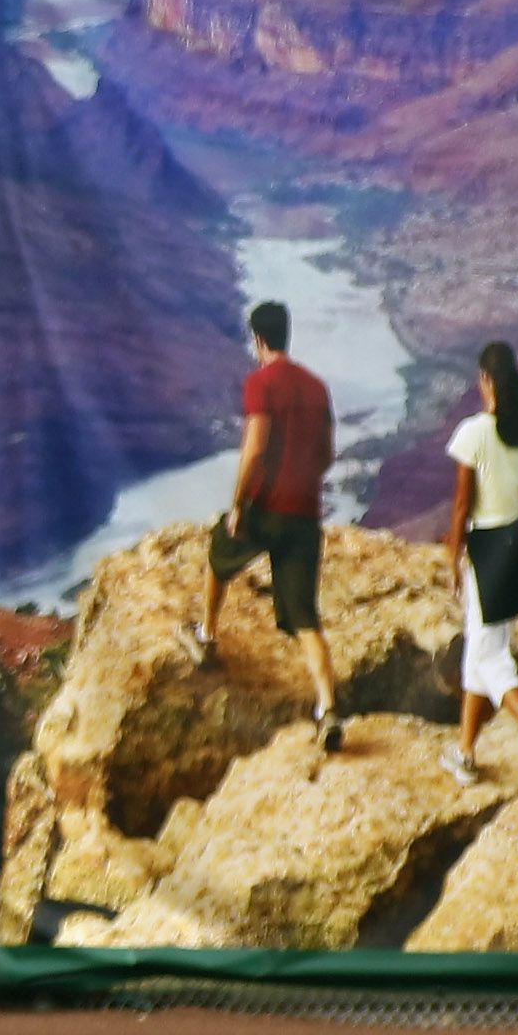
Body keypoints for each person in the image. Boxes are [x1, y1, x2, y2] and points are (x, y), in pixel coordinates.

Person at [181, 301, 344, 751]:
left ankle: (207, 637)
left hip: (266, 506)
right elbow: (328, 454)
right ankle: (328, 707)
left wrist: (238, 504)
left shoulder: (260, 384)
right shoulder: (316, 387)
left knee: (218, 555)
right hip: (306, 513)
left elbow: (253, 450)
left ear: (258, 339)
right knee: (305, 618)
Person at [440, 341, 518, 794]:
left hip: (486, 548)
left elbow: (459, 508)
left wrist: (452, 559)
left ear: (487, 381)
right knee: (481, 651)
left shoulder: (473, 433)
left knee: (490, 657)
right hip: (516, 546)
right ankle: (465, 754)